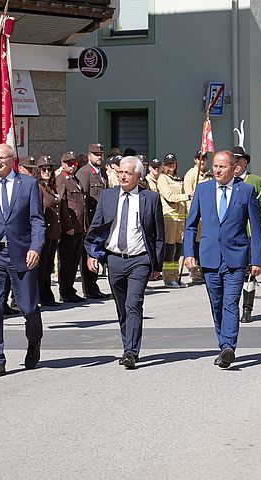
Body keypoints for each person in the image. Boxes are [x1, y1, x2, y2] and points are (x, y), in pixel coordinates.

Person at [0, 143, 45, 378]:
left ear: (13, 159)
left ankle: (34, 342)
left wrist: (36, 248)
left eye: (2, 158)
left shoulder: (29, 185)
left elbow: (37, 221)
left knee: (28, 307)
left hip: (22, 254)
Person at [184, 150, 261, 369]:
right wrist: (189, 253)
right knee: (216, 304)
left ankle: (228, 346)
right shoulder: (203, 190)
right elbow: (191, 225)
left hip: (236, 258)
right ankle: (223, 346)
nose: (218, 170)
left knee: (230, 303)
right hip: (209, 257)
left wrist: (257, 259)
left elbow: (256, 230)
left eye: (222, 167)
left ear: (233, 168)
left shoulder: (246, 191)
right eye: (215, 166)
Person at [85, 156, 164, 368]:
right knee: (122, 307)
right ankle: (126, 345)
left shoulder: (150, 198)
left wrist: (157, 266)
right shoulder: (108, 196)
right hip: (114, 260)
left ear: (138, 176)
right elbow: (96, 228)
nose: (122, 176)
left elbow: (158, 235)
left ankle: (131, 351)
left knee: (133, 304)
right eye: (120, 172)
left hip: (139, 259)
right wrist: (93, 254)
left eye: (128, 173)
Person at [232, 145, 261, 323]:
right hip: (232, 236)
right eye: (233, 160)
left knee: (250, 272)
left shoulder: (255, 181)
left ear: (245, 162)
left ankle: (247, 309)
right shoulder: (226, 181)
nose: (236, 164)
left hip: (250, 234)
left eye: (239, 160)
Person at [36, 155, 73, 306]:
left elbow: (60, 208)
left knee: (48, 266)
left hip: (53, 233)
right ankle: (41, 296)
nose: (47, 172)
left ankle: (47, 296)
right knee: (42, 266)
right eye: (43, 169)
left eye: (49, 169)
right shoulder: (37, 187)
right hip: (43, 233)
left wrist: (66, 226)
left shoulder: (52, 187)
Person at [76, 143, 110, 299]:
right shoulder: (84, 173)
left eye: (101, 154)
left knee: (97, 253)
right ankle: (89, 288)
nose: (99, 157)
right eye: (96, 154)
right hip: (90, 221)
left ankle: (93, 285)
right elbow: (83, 200)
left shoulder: (102, 173)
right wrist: (86, 224)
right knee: (88, 254)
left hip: (101, 221)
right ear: (89, 156)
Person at [56, 151, 87, 303]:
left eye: (74, 163)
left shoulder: (74, 179)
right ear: (62, 164)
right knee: (67, 261)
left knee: (74, 261)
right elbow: (61, 205)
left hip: (79, 227)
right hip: (69, 229)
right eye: (68, 163)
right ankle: (65, 290)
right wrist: (67, 226)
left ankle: (70, 289)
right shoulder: (61, 180)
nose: (72, 166)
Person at [157, 153, 190, 288]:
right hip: (169, 217)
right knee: (169, 248)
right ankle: (168, 278)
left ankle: (176, 276)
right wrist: (186, 196)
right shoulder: (163, 179)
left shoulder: (178, 179)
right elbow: (169, 196)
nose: (172, 165)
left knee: (178, 249)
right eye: (169, 163)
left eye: (173, 163)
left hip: (181, 217)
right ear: (164, 165)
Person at [183, 150, 212, 284]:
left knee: (203, 243)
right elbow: (189, 193)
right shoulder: (191, 174)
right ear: (195, 160)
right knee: (194, 243)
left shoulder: (209, 174)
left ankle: (204, 270)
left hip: (208, 214)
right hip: (196, 213)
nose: (202, 161)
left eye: (205, 158)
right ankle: (194, 271)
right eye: (199, 158)